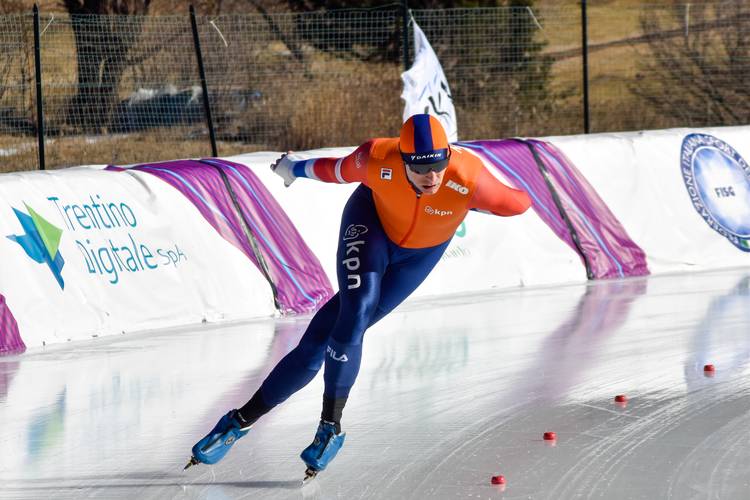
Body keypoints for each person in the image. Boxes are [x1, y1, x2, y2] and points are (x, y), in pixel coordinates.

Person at [185, 114, 532, 479]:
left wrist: (475, 201)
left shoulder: (468, 176)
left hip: (417, 258)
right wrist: (294, 168)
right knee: (356, 311)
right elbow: (335, 170)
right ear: (403, 159)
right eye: (420, 168)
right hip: (371, 227)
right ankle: (312, 426)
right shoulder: (377, 157)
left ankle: (250, 421)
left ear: (448, 155)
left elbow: (520, 202)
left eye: (438, 165)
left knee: (320, 340)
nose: (431, 177)